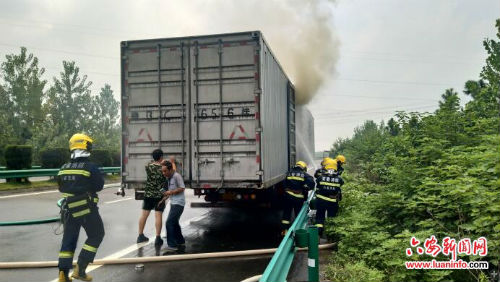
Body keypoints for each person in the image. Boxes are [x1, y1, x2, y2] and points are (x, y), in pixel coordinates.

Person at [57, 133, 105, 282]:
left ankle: (63, 275)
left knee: (69, 239)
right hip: (86, 209)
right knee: (97, 234)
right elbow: (99, 185)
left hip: (68, 209)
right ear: (85, 146)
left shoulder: (63, 168)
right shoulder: (90, 167)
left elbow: (60, 187)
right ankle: (80, 269)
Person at [137, 149, 166, 247]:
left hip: (148, 194)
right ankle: (158, 238)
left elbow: (150, 164)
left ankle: (140, 236)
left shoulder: (148, 166)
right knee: (158, 216)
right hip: (159, 195)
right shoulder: (163, 168)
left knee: (144, 215)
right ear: (161, 157)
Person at [281, 161, 315, 235]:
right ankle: (298, 232)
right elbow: (312, 184)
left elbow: (284, 184)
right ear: (303, 167)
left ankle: (284, 232)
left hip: (288, 197)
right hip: (298, 199)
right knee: (298, 215)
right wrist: (304, 188)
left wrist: (288, 189)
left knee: (286, 216)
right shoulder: (305, 175)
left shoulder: (288, 173)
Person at [161, 161, 186, 253]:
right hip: (174, 202)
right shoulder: (169, 178)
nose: (164, 173)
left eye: (165, 171)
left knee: (169, 223)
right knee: (174, 223)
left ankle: (172, 245)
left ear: (170, 169)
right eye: (162, 172)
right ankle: (180, 241)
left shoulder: (176, 176)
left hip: (179, 204)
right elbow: (170, 191)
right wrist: (164, 199)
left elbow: (182, 188)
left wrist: (170, 192)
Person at [314, 161, 344, 237]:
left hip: (321, 201)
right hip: (332, 202)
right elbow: (341, 185)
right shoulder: (339, 179)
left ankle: (318, 233)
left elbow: (317, 183)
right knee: (332, 218)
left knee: (320, 217)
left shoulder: (320, 177)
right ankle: (331, 236)